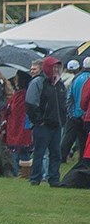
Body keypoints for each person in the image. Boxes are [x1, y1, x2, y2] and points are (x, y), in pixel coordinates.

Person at [26, 57, 67, 186]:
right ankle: (35, 178)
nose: (55, 70)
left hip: (57, 124)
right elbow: (31, 103)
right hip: (43, 125)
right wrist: (38, 121)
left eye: (57, 67)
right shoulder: (38, 82)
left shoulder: (59, 84)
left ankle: (54, 178)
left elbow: (64, 103)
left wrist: (63, 118)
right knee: (39, 153)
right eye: (53, 67)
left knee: (56, 154)